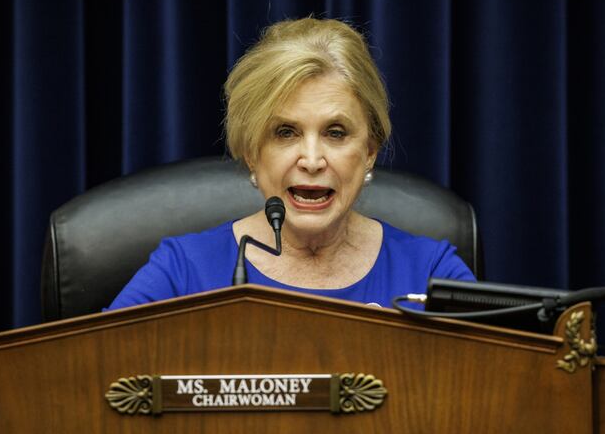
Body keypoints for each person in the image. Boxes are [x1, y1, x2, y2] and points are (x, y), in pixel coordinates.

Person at [108, 17, 474, 310]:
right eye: (285, 132)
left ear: (370, 151)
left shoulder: (430, 272)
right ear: (252, 151)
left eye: (335, 132)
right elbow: (89, 379)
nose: (312, 161)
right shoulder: (182, 271)